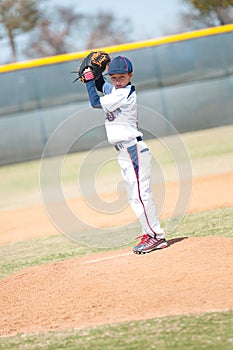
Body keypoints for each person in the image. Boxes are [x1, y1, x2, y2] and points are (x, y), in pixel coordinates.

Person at [83, 55, 167, 254]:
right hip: (125, 152)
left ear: (130, 75)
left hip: (132, 150)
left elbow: (95, 102)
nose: (117, 80)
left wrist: (88, 80)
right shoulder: (117, 89)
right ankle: (150, 233)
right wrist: (96, 76)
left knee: (140, 194)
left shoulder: (123, 93)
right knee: (135, 196)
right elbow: (102, 86)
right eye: (114, 77)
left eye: (121, 77)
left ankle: (156, 236)